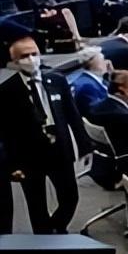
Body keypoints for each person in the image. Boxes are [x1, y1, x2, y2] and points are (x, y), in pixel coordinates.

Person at [0, 31, 91, 233]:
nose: (31, 59)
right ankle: (44, 240)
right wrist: (11, 165)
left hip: (59, 150)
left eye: (34, 53)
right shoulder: (7, 91)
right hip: (29, 156)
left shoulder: (57, 80)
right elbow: (5, 133)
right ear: (14, 61)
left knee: (70, 198)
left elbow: (73, 115)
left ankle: (56, 227)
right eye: (24, 56)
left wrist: (85, 145)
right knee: (36, 205)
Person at [68, 46, 111, 116]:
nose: (107, 63)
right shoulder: (86, 85)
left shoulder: (96, 80)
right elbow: (97, 112)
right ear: (92, 63)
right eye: (103, 60)